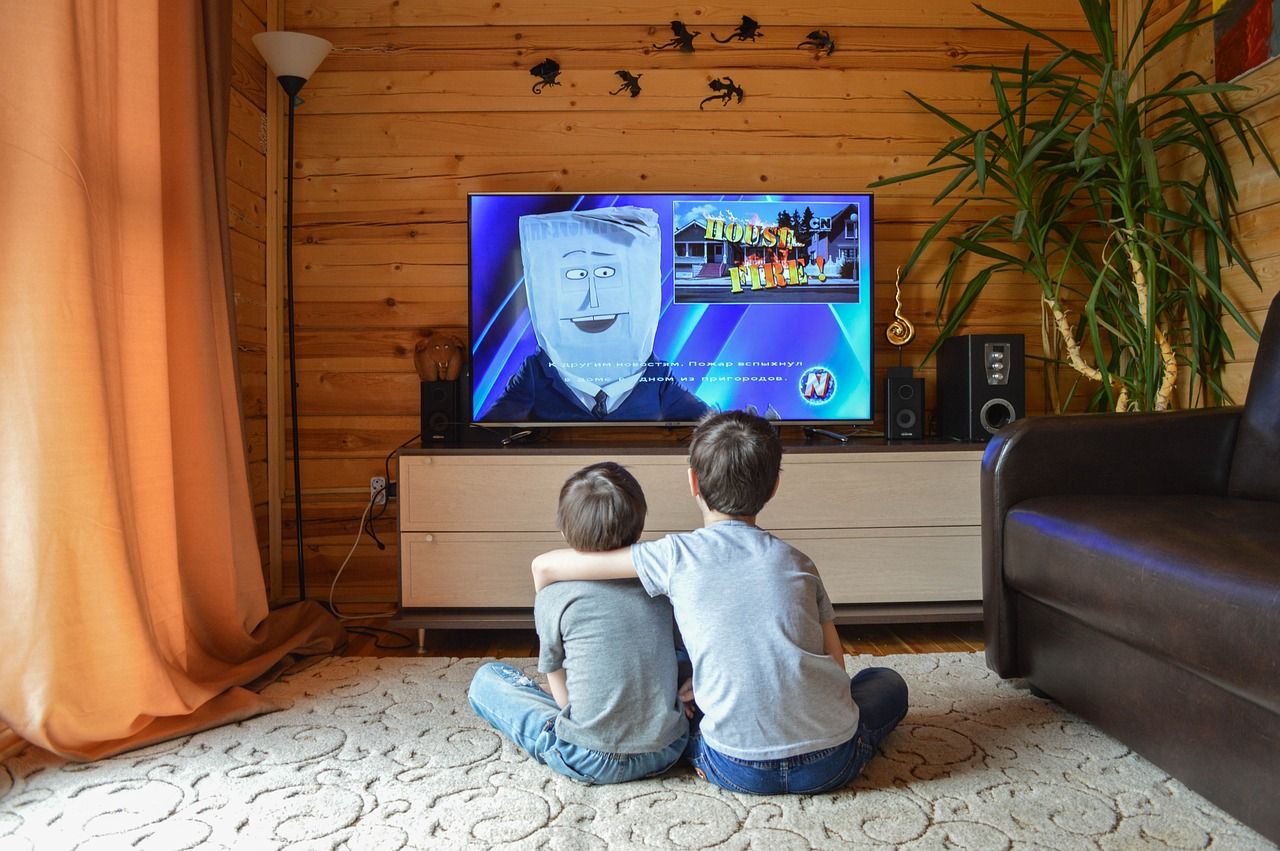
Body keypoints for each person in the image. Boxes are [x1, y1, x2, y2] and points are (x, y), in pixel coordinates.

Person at [531, 410, 908, 794]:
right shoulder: (799, 562)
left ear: (693, 481)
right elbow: (836, 665)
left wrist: (542, 573)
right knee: (886, 682)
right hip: (830, 762)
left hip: (734, 766)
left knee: (675, 679)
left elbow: (570, 563)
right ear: (774, 486)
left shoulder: (675, 555)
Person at [468, 461, 689, 784]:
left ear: (563, 530)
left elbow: (559, 689)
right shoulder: (659, 587)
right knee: (674, 656)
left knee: (487, 679)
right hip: (667, 749)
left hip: (589, 757)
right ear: (639, 527)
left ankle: (589, 709)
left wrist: (581, 712)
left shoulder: (553, 595)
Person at [480, 206, 709, 423]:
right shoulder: (536, 372)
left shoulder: (656, 376)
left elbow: (717, 428)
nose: (594, 300)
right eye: (576, 275)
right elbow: (487, 433)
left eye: (607, 273)